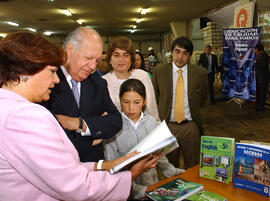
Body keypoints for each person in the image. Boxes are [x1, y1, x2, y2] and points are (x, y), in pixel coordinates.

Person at [0, 31, 160, 201]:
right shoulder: (24, 116)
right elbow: (73, 185)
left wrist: (107, 165)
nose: (55, 79)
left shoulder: (8, 107)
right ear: (26, 71)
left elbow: (60, 170)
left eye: (97, 61)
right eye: (52, 71)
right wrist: (130, 175)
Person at [42, 27, 123, 163]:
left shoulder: (98, 83)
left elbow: (115, 121)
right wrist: (92, 140)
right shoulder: (47, 82)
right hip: (57, 168)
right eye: (88, 58)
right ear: (69, 49)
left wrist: (79, 124)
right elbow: (47, 137)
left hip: (94, 168)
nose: (93, 67)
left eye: (97, 61)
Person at [103, 79, 184, 199]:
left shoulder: (150, 121)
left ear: (144, 101)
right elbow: (112, 164)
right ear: (120, 101)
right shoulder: (113, 126)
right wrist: (135, 189)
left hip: (150, 184)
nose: (131, 108)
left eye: (137, 102)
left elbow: (158, 153)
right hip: (125, 188)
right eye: (126, 102)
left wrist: (171, 171)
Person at [152, 36, 208, 169]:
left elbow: (202, 98)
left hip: (190, 126)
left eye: (185, 53)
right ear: (172, 52)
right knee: (170, 167)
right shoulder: (160, 71)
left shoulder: (199, 73)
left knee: (193, 165)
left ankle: (193, 188)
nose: (180, 57)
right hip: (167, 126)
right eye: (177, 51)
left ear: (190, 55)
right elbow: (155, 98)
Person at [103, 36, 160, 122]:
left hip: (146, 130)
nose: (121, 59)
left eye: (126, 55)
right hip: (117, 132)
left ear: (131, 59)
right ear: (110, 60)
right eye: (116, 55)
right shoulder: (103, 82)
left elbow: (153, 109)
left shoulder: (143, 76)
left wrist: (156, 129)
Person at [254, 44, 269, 111]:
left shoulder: (264, 56)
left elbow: (262, 66)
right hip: (259, 77)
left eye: (256, 51)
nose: (255, 52)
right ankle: (260, 105)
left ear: (260, 51)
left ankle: (261, 106)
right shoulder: (258, 55)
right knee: (260, 92)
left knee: (263, 92)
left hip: (263, 78)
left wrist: (256, 63)